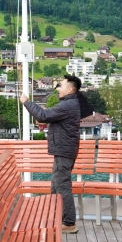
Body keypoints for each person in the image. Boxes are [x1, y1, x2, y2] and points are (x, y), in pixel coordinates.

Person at [20, 75, 93, 233]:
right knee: (56, 185)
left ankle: (69, 223)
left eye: (61, 85)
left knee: (62, 186)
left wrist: (26, 101)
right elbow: (49, 118)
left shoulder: (68, 105)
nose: (58, 88)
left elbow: (43, 116)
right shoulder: (69, 104)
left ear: (70, 89)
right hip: (63, 150)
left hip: (64, 151)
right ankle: (57, 218)